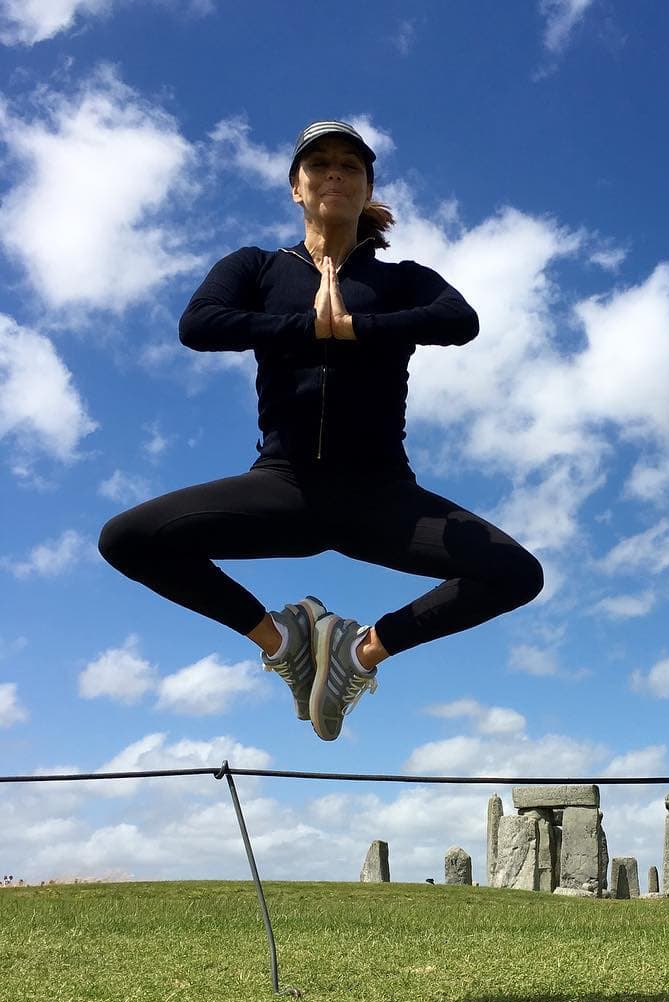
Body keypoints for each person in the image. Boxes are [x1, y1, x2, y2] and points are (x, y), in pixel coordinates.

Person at [99, 120, 544, 742]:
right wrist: (303, 329)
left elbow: (459, 320)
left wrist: (358, 327)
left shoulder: (400, 279)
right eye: (319, 165)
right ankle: (282, 642)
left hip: (380, 494)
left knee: (518, 575)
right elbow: (199, 324)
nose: (334, 173)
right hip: (286, 487)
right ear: (296, 189)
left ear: (367, 190)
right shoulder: (257, 267)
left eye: (350, 166)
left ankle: (356, 655)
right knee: (127, 540)